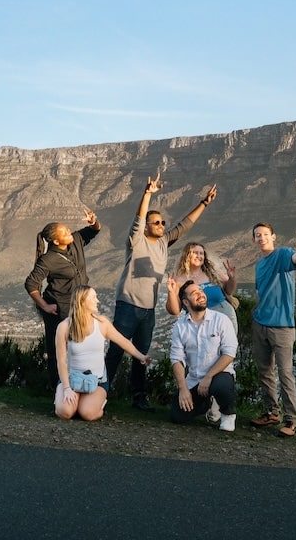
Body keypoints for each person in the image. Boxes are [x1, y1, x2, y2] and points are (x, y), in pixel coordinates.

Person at [104, 172, 217, 411]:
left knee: (141, 355)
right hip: (128, 305)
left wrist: (204, 203)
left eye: (163, 222)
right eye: (156, 222)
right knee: (116, 350)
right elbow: (138, 218)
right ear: (146, 226)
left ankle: (139, 398)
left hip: (148, 310)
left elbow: (184, 225)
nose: (162, 225)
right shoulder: (136, 240)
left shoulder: (164, 242)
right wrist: (147, 194)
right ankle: (101, 391)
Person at [23, 209, 100, 390]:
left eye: (67, 230)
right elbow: (31, 284)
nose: (69, 232)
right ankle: (59, 389)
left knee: (81, 348)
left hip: (81, 306)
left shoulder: (76, 241)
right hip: (60, 310)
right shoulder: (48, 260)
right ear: (56, 241)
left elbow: (95, 230)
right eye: (64, 232)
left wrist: (93, 221)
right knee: (59, 351)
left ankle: (81, 387)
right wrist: (45, 306)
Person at [249, 222, 296, 438]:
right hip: (260, 323)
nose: (261, 237)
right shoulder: (258, 265)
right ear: (254, 240)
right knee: (265, 371)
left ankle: (291, 420)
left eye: (265, 234)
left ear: (273, 236)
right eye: (257, 235)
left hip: (282, 325)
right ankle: (271, 412)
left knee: (284, 373)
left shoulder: (282, 254)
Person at [55, 285, 151, 421]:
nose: (97, 301)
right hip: (71, 379)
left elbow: (123, 341)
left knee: (87, 414)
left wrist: (141, 356)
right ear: (82, 301)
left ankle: (93, 405)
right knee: (64, 412)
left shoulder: (102, 323)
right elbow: (61, 361)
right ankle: (71, 402)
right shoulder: (64, 327)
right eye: (93, 297)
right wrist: (66, 388)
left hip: (97, 381)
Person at [169, 280, 238, 431]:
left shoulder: (221, 320)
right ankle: (205, 403)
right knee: (177, 415)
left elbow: (229, 353)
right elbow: (176, 359)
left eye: (200, 291)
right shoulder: (180, 326)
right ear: (186, 302)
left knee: (221, 387)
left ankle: (227, 413)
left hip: (220, 374)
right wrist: (183, 388)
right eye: (195, 293)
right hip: (195, 379)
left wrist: (208, 377)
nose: (201, 294)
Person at [164, 242, 238, 329]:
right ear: (187, 255)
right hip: (198, 322)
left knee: (228, 342)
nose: (199, 256)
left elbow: (229, 291)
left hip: (224, 314)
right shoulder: (179, 280)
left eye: (201, 253)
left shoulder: (213, 272)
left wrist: (232, 279)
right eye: (195, 253)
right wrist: (171, 292)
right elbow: (175, 311)